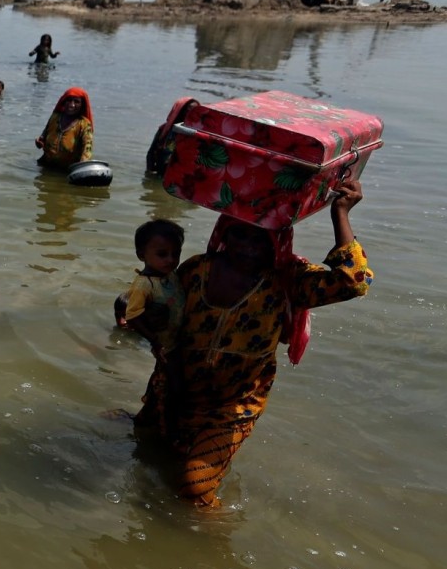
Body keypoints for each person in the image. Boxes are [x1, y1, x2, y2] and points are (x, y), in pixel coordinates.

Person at [133, 179, 371, 508]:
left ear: (277, 240)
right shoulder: (196, 269)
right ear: (224, 234)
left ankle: (212, 545)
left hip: (231, 406)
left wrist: (340, 213)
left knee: (193, 489)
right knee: (142, 447)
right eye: (239, 234)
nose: (247, 246)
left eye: (260, 238)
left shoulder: (288, 280)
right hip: (175, 389)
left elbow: (352, 282)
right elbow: (156, 305)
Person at [113, 219, 185, 354]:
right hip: (164, 344)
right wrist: (154, 341)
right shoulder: (143, 285)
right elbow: (133, 316)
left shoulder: (170, 275)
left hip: (178, 337)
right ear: (141, 255)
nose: (171, 259)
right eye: (162, 254)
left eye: (176, 254)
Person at [35, 86, 94, 168]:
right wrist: (39, 142)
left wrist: (81, 168)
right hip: (46, 166)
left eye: (76, 102)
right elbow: (43, 135)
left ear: (82, 105)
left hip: (68, 170)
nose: (72, 105)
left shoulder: (84, 124)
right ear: (64, 101)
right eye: (69, 100)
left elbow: (87, 150)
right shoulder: (55, 117)